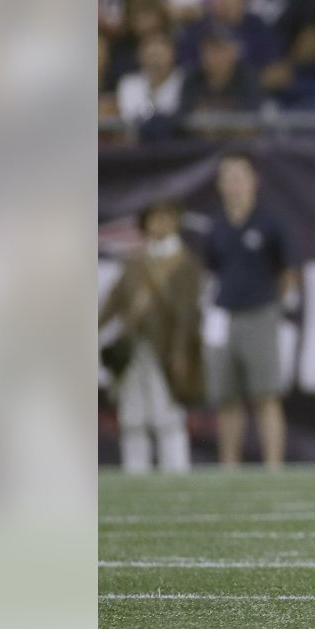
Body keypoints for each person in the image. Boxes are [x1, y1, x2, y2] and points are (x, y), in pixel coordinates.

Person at [203, 152, 298, 470]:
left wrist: (279, 306)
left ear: (253, 180)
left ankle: (274, 466)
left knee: (266, 395)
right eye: (228, 177)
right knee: (227, 399)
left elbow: (287, 271)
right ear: (220, 184)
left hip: (260, 314)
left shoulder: (270, 222)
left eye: (240, 176)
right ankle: (228, 465)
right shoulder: (216, 226)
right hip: (225, 316)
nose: (234, 184)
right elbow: (212, 271)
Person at [99, 199, 203, 473]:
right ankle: (136, 470)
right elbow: (113, 302)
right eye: (155, 218)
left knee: (167, 414)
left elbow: (187, 314)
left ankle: (176, 470)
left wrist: (181, 351)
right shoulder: (134, 263)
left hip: (166, 349)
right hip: (134, 348)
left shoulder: (185, 263)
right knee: (132, 413)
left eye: (167, 217)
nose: (161, 224)